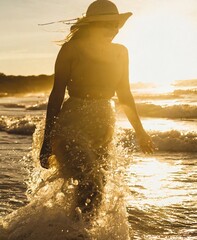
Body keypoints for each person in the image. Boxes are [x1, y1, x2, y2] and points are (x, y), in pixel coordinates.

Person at [39, 0, 154, 220]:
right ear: (93, 25)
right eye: (108, 24)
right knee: (92, 183)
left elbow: (125, 95)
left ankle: (76, 230)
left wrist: (140, 132)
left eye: (116, 25)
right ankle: (75, 231)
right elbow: (56, 95)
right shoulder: (71, 49)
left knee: (98, 188)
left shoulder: (121, 52)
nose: (114, 30)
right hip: (73, 122)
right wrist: (47, 140)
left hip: (104, 124)